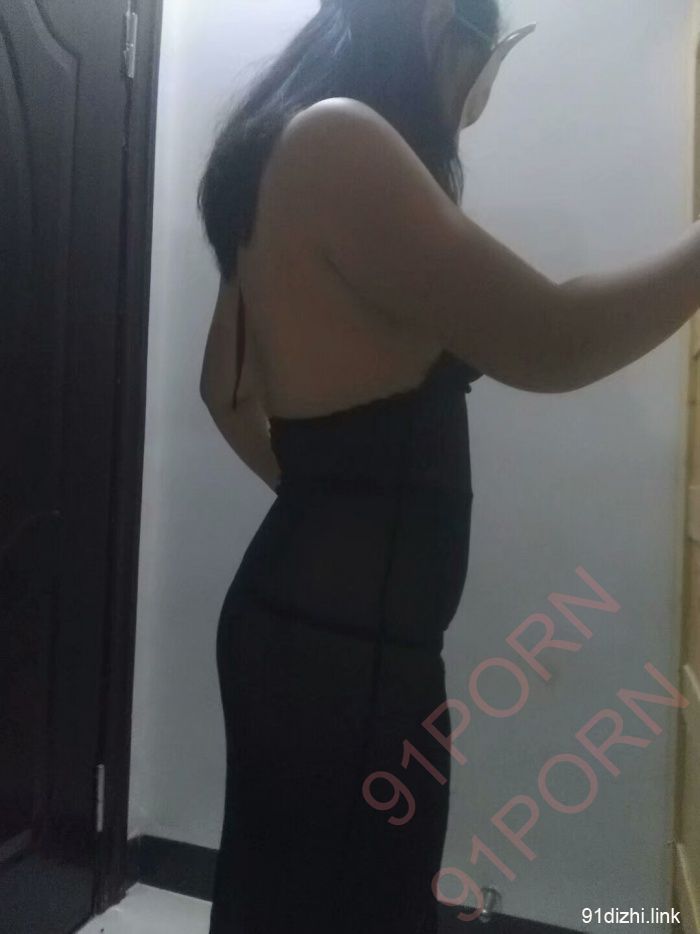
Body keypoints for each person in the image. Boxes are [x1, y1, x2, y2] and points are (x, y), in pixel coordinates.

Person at [197, 1, 700, 931]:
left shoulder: (286, 155)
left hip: (318, 637)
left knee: (292, 901)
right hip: (342, 657)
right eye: (485, 58)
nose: (477, 93)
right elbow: (553, 339)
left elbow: (221, 393)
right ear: (438, 21)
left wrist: (332, 509)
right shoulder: (340, 140)